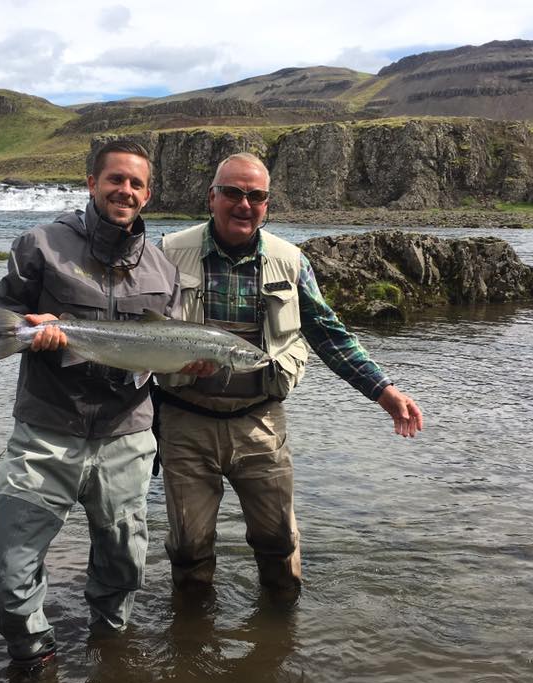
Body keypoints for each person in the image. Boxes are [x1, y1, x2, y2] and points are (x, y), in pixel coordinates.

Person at [154, 152, 423, 597]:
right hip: (185, 423)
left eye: (255, 196)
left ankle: (280, 635)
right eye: (233, 193)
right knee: (187, 545)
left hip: (260, 423)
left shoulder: (291, 261)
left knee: (277, 541)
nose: (244, 204)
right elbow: (138, 333)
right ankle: (191, 642)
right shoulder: (166, 253)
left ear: (267, 204)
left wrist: (385, 392)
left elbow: (329, 335)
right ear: (212, 198)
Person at [0, 140, 182, 670]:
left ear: (149, 194)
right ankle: (35, 653)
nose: (126, 190)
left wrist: (192, 363)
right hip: (47, 429)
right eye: (115, 179)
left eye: (137, 184)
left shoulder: (163, 269)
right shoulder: (41, 244)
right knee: (6, 577)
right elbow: (4, 312)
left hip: (127, 436)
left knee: (123, 569)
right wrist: (29, 329)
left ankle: (109, 653)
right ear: (91, 184)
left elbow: (167, 349)